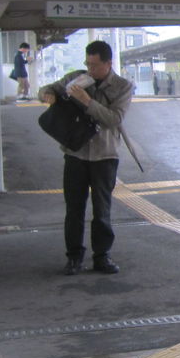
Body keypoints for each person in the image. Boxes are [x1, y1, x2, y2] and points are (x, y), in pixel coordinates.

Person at [39, 40, 134, 276]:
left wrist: (86, 101)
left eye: (94, 65)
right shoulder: (76, 78)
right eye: (87, 63)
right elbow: (46, 89)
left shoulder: (123, 86)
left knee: (102, 209)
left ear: (108, 64)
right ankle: (74, 257)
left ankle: (102, 256)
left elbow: (114, 119)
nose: (90, 69)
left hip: (105, 155)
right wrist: (47, 94)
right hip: (76, 153)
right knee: (74, 208)